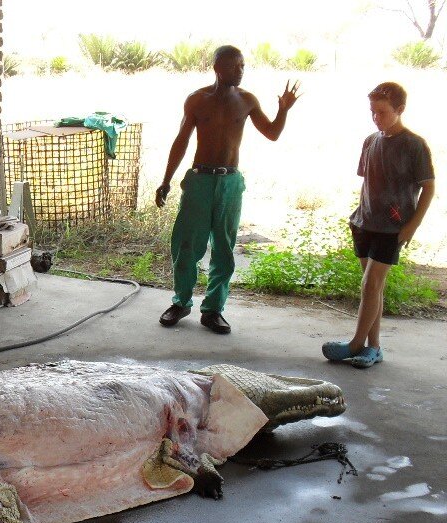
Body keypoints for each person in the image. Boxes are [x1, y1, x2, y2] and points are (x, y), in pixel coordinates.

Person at [156, 45, 299, 333]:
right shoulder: (197, 100)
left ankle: (212, 310)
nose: (241, 71)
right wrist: (166, 179)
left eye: (243, 66)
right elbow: (181, 140)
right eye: (235, 66)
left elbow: (272, 133)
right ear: (218, 68)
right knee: (186, 245)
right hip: (200, 181)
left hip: (230, 183)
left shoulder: (247, 100)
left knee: (224, 249)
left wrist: (283, 110)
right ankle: (181, 302)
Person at [322, 82, 435, 368]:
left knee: (371, 283)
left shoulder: (414, 144)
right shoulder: (371, 140)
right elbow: (368, 181)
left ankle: (356, 344)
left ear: (400, 110)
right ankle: (374, 348)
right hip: (365, 221)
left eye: (382, 112)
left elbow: (429, 188)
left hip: (392, 227)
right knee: (373, 287)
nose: (376, 118)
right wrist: (360, 214)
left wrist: (412, 226)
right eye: (372, 112)